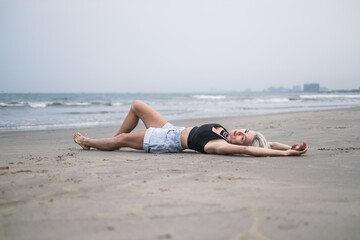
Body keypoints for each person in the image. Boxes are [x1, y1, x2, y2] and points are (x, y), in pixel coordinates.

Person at [73, 100, 308, 156]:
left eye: (243, 138)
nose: (241, 133)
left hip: (167, 141)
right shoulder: (225, 133)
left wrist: (285, 154)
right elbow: (267, 144)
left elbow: (253, 150)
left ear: (239, 145)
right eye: (245, 130)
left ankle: (90, 142)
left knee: (121, 140)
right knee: (137, 106)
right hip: (171, 129)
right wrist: (287, 146)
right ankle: (118, 140)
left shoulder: (220, 146)